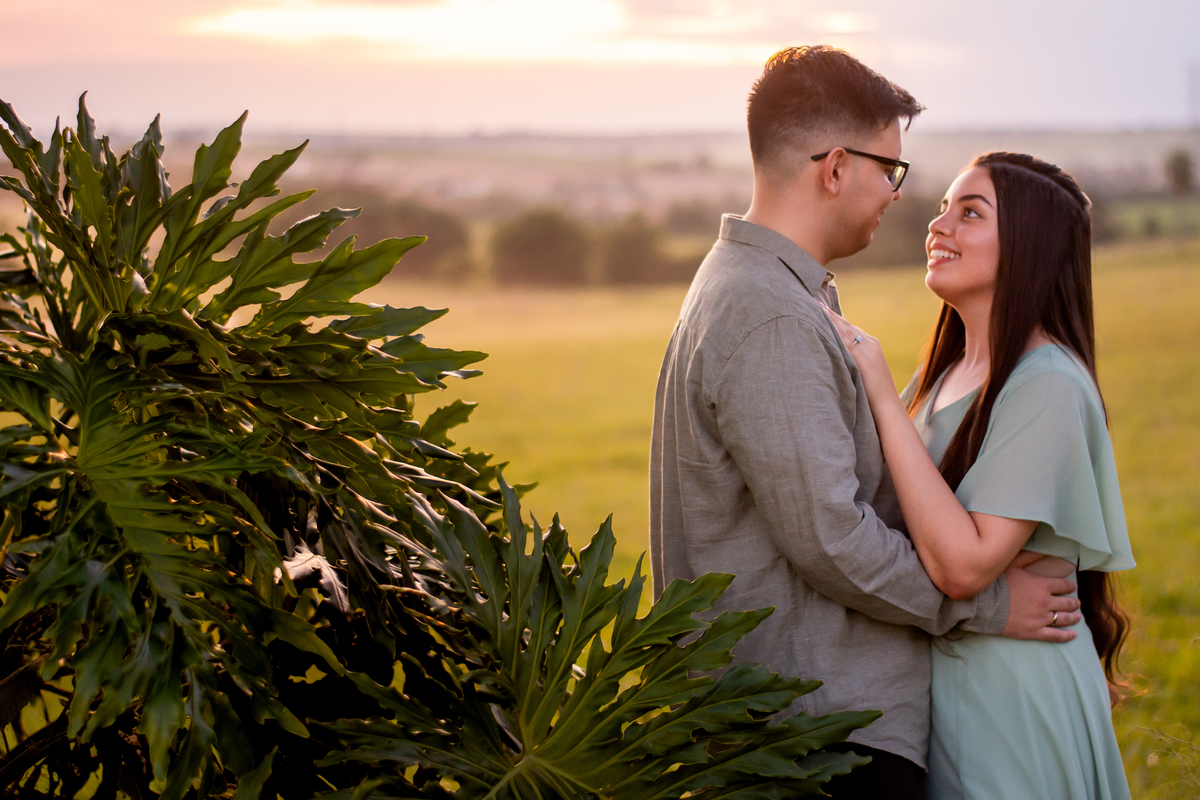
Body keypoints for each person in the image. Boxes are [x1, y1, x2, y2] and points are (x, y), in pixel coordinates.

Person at [648, 46, 1084, 799]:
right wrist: (990, 604)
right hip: (816, 733)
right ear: (836, 167)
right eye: (893, 171)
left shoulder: (763, 289)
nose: (897, 196)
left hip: (802, 727)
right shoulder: (771, 313)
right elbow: (832, 538)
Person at [822, 151, 1134, 798]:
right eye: (944, 210)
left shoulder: (1046, 383)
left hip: (1013, 698)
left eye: (971, 214)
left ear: (1029, 246)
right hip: (947, 686)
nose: (940, 227)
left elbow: (965, 565)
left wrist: (880, 393)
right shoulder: (941, 378)